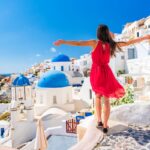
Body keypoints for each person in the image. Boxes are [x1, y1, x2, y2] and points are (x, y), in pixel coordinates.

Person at [54, 24, 150, 134]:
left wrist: (63, 41)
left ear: (98, 33)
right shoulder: (112, 45)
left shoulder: (94, 43)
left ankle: (99, 121)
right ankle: (105, 125)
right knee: (107, 100)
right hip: (106, 73)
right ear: (106, 32)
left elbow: (78, 43)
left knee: (98, 97)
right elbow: (129, 43)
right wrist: (145, 37)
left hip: (96, 73)